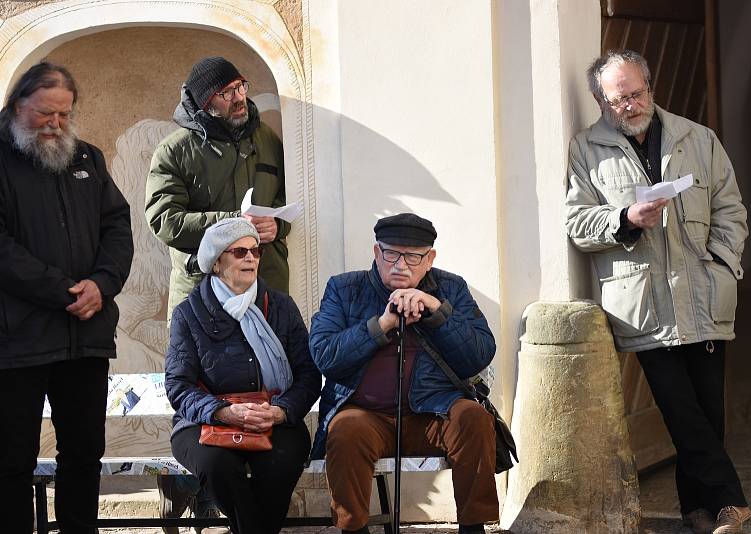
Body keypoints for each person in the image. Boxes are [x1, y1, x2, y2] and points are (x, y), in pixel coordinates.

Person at [565, 50, 750, 534]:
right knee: (679, 408)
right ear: (600, 101)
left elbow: (730, 208)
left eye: (636, 93)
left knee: (708, 408)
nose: (630, 104)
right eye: (618, 98)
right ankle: (732, 500)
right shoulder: (587, 148)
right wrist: (623, 219)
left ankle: (697, 509)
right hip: (642, 305)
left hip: (703, 292)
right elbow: (578, 222)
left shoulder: (698, 138)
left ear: (650, 86)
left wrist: (723, 264)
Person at [145, 56, 290, 526]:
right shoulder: (174, 149)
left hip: (264, 291)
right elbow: (163, 220)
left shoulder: (266, 139)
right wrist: (229, 226)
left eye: (241, 87)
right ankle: (196, 481)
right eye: (226, 93)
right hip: (202, 297)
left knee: (267, 388)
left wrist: (273, 228)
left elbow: (281, 212)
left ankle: (226, 496)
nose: (238, 98)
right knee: (206, 389)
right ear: (203, 102)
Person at [0, 62, 133, 533]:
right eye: (45, 114)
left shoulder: (88, 160)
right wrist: (61, 291)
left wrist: (102, 282)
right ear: (18, 104)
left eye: (64, 114)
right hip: (17, 341)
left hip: (86, 334)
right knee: (11, 460)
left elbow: (117, 228)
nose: (56, 125)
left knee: (83, 455)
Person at [309, 213, 498, 534]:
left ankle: (473, 526)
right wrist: (381, 324)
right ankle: (352, 528)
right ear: (376, 253)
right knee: (345, 429)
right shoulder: (344, 289)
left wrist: (436, 311)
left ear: (430, 259)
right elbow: (325, 356)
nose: (400, 264)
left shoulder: (450, 288)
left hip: (434, 412)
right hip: (366, 414)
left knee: (473, 418)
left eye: (413, 256)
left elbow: (479, 355)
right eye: (391, 254)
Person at [165, 217, 320, 534]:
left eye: (256, 250)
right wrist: (222, 411)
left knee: (282, 459)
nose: (251, 258)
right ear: (217, 262)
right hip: (205, 421)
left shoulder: (280, 306)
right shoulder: (189, 312)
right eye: (239, 252)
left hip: (272, 416)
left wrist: (281, 411)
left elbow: (307, 373)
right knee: (217, 465)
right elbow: (178, 386)